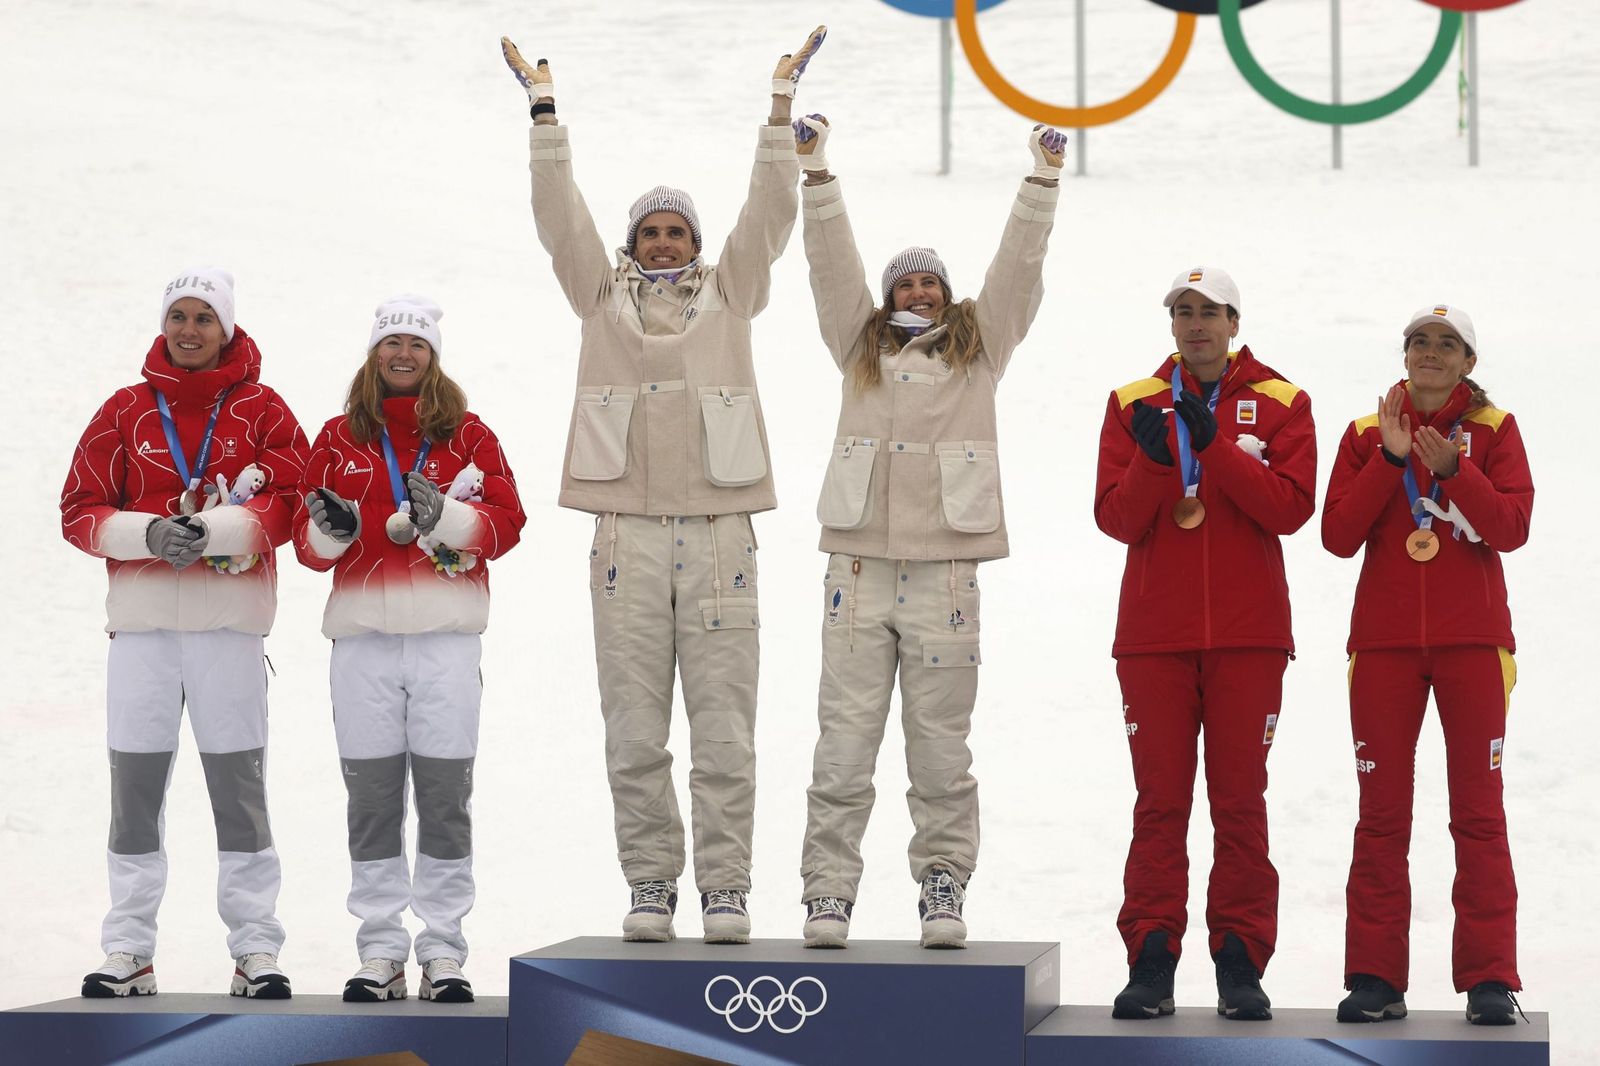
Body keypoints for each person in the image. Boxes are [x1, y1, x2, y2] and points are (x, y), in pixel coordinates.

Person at [500, 25, 824, 944]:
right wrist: (545, 114)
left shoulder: (733, 295)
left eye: (678, 229)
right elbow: (557, 214)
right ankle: (651, 884)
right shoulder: (599, 299)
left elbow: (770, 213)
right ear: (632, 243)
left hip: (721, 536)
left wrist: (778, 114)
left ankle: (725, 887)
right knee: (634, 730)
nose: (666, 241)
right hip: (625, 538)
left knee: (724, 729)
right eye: (651, 231)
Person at [791, 115, 1064, 950]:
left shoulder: (980, 354)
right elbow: (830, 267)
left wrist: (1041, 181)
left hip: (946, 575)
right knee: (844, 743)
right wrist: (818, 173)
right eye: (906, 285)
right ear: (887, 298)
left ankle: (943, 884)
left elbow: (1017, 270)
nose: (920, 294)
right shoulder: (858, 348)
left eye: (930, 285)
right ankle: (828, 892)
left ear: (947, 296)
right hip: (859, 572)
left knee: (941, 746)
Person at [60, 267, 306, 999]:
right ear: (163, 325)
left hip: (228, 631)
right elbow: (78, 507)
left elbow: (293, 502)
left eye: (205, 317)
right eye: (179, 317)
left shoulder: (263, 408)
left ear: (226, 328)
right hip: (141, 636)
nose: (190, 330)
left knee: (239, 792)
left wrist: (215, 530)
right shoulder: (125, 410)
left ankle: (256, 947)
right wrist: (147, 533)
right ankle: (129, 947)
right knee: (133, 792)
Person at [1094, 267, 1316, 1020]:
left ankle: (1239, 962)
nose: (1195, 325)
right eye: (1182, 312)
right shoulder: (1133, 405)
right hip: (1155, 639)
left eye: (1209, 312)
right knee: (1159, 802)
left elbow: (1287, 510)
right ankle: (1152, 956)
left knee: (1239, 801)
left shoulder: (1283, 402)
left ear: (1234, 321)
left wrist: (1216, 446)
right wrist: (1158, 460)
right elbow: (1119, 521)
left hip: (1249, 639)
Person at [296, 295, 525, 1003]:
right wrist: (330, 529)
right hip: (362, 642)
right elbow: (306, 548)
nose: (403, 354)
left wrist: (448, 515)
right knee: (371, 800)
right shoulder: (336, 437)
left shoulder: (471, 435)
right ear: (374, 355)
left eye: (416, 344)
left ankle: (444, 951)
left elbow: (507, 521)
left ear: (433, 357)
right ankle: (381, 952)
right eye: (391, 342)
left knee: (444, 797)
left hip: (445, 643)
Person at [1321, 304, 1532, 1027]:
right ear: (1404, 355)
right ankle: (1376, 977)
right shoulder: (1365, 433)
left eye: (1447, 344)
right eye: (1419, 342)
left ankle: (1489, 980)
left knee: (1478, 814)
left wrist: (1455, 473)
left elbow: (1511, 527)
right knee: (1380, 818)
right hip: (1382, 648)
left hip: (1473, 643)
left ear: (1469, 362)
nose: (1431, 353)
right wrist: (1389, 460)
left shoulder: (1496, 431)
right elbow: (1337, 536)